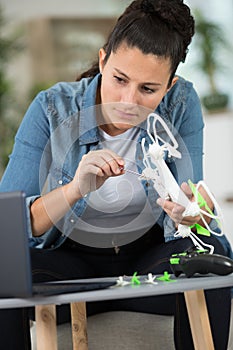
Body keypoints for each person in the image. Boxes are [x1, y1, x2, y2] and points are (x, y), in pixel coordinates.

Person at [0, 0, 232, 349]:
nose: (128, 101)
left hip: (147, 269)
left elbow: (192, 214)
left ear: (168, 86)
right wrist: (75, 189)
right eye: (119, 79)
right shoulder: (52, 108)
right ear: (103, 60)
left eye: (148, 89)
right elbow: (9, 230)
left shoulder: (181, 102)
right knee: (4, 269)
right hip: (70, 268)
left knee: (210, 253)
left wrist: (192, 214)